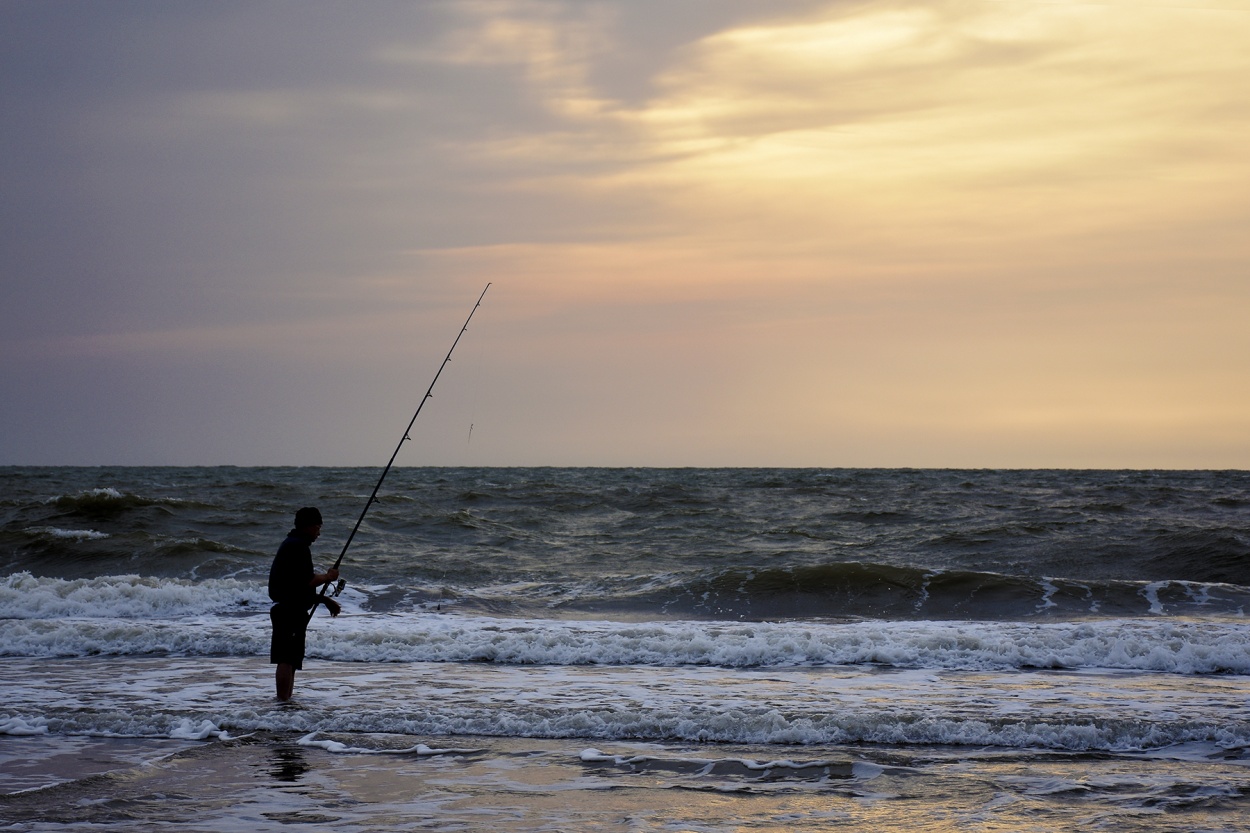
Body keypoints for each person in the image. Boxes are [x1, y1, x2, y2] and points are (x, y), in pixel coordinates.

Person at [268, 506, 340, 700]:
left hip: (290, 608)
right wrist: (328, 576)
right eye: (317, 526)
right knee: (286, 659)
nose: (319, 532)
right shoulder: (297, 546)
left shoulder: (293, 544)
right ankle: (282, 703)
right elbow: (307, 581)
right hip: (288, 610)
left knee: (291, 659)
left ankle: (285, 702)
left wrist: (324, 600)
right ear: (307, 526)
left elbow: (296, 586)